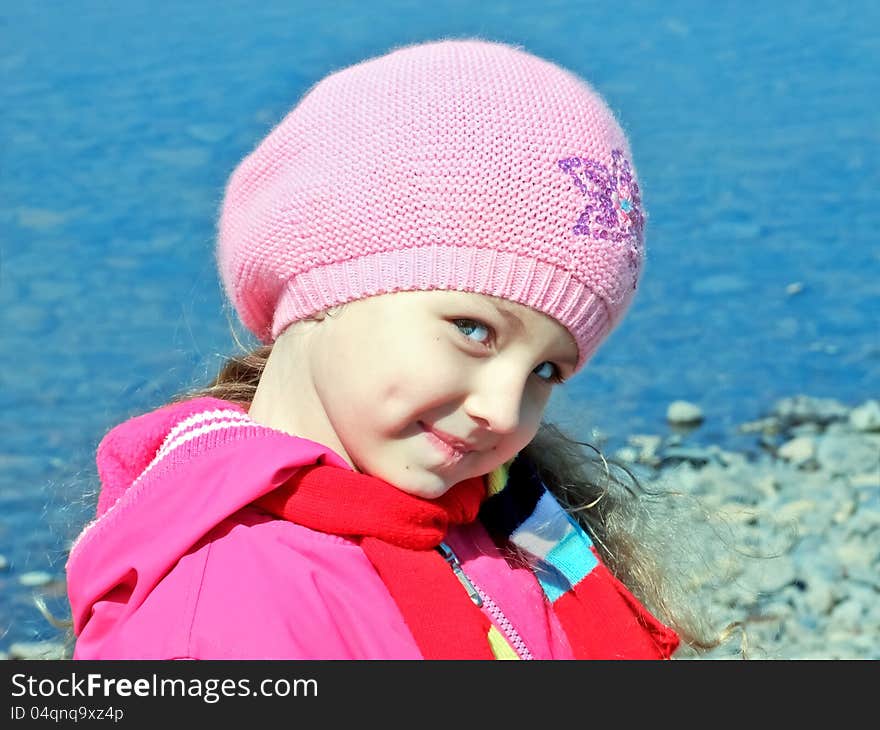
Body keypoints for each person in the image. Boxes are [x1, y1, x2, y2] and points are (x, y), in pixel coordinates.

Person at [65, 38, 722, 659]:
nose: (504, 409)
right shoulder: (215, 616)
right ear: (325, 276)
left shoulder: (513, 518)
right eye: (472, 329)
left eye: (546, 370)